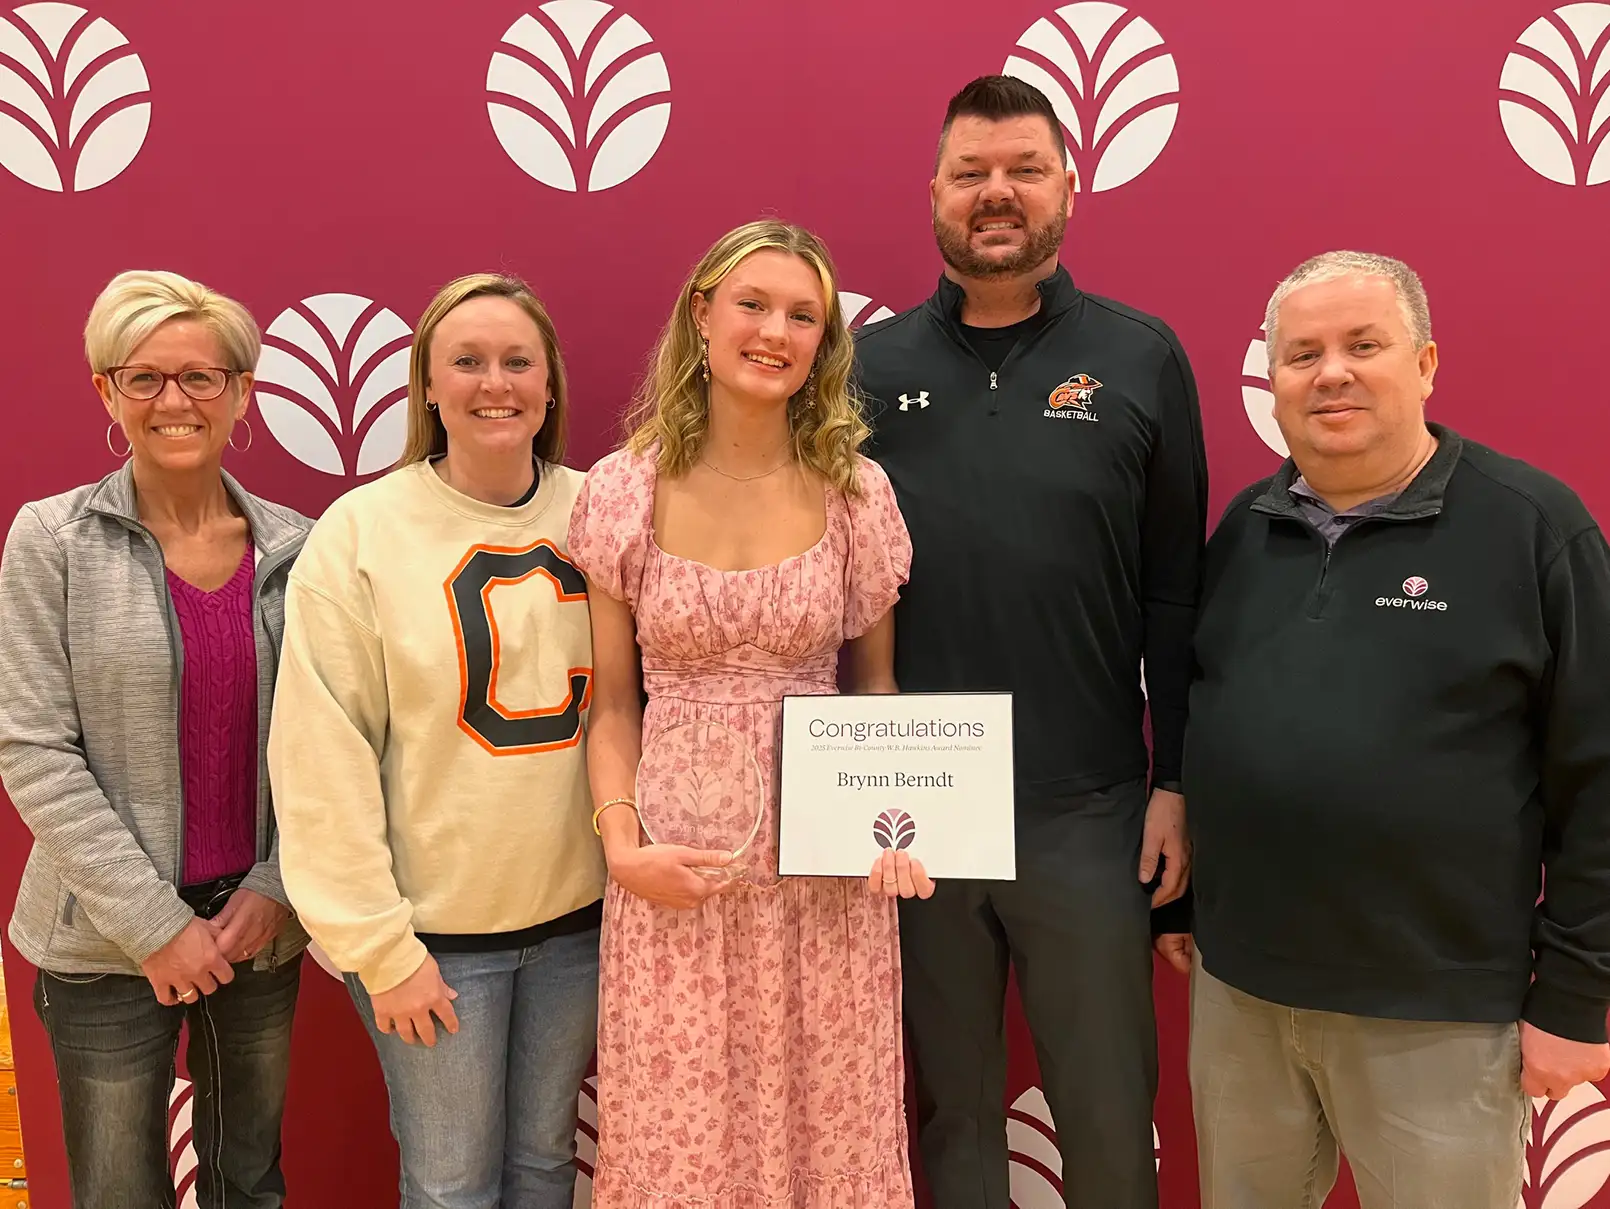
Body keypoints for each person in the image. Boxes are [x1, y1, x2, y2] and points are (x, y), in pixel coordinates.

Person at [1169, 250, 1610, 1209]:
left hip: (1436, 1009)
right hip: (1244, 992)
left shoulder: (1535, 528)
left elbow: (1600, 775)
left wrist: (1580, 996)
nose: (1331, 372)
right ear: (1273, 384)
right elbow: (1214, 722)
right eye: (1302, 354)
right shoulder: (1247, 528)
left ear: (1425, 364)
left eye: (1364, 345)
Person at [854, 75, 1207, 1209]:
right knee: (952, 1116)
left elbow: (1174, 593)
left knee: (1106, 1118)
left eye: (1021, 170)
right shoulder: (862, 368)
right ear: (934, 195)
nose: (994, 194)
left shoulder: (1142, 358)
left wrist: (1174, 781)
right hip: (913, 812)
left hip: (1086, 810)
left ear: (1069, 186)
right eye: (970, 173)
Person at [570, 218, 929, 1209]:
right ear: (701, 316)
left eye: (802, 315)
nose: (774, 330)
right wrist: (622, 850)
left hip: (824, 887)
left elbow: (877, 694)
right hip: (675, 878)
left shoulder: (856, 494)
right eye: (752, 304)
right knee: (678, 1145)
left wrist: (894, 826)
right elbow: (610, 707)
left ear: (825, 342)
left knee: (829, 1133)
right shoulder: (621, 494)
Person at [267, 273, 605, 1209]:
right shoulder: (361, 532)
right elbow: (319, 751)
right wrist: (380, 946)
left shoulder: (606, 512)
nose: (493, 382)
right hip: (435, 940)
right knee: (452, 1183)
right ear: (425, 384)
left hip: (581, 924)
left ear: (549, 385)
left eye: (516, 361)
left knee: (546, 1168)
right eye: (466, 361)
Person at [0, 270, 310, 1208]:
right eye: (144, 378)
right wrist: (154, 926)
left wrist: (273, 887)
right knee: (117, 1192)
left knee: (247, 1181)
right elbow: (34, 750)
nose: (174, 401)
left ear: (242, 392)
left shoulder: (302, 549)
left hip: (256, 933)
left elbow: (338, 744)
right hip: (102, 942)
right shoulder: (50, 540)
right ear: (107, 391)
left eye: (202, 377)